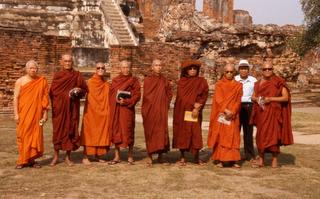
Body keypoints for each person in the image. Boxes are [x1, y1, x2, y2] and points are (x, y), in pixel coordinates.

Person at [251, 61, 293, 168]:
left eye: (270, 69)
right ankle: (261, 160)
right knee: (260, 136)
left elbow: (285, 97)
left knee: (274, 136)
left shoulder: (278, 81)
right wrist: (257, 99)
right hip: (262, 113)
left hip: (274, 113)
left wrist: (271, 99)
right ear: (262, 71)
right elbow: (253, 97)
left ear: (273, 70)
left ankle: (274, 161)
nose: (267, 71)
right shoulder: (258, 83)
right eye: (265, 69)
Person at [49, 54, 88, 166]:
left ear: (72, 62)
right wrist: (63, 97)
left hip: (72, 109)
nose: (67, 63)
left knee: (70, 131)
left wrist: (78, 89)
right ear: (61, 62)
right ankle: (56, 156)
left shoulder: (77, 75)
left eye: (69, 61)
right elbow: (52, 92)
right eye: (65, 61)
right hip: (60, 109)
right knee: (57, 132)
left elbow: (85, 90)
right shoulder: (58, 76)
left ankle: (67, 157)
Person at [13, 60, 49, 169]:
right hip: (24, 113)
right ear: (26, 69)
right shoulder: (20, 81)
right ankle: (22, 160)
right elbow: (15, 98)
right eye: (31, 68)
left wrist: (45, 114)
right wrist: (16, 114)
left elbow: (45, 98)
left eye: (35, 68)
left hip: (37, 114)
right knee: (23, 135)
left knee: (35, 136)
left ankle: (32, 160)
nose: (33, 70)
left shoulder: (41, 81)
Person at [173, 60, 209, 166]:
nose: (193, 71)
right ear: (186, 70)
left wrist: (198, 106)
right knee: (183, 132)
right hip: (183, 111)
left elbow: (204, 94)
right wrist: (194, 104)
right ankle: (182, 156)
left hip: (196, 112)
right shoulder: (182, 82)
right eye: (190, 69)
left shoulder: (201, 81)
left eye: (195, 69)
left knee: (195, 133)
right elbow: (182, 97)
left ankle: (196, 157)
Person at [207, 64, 243, 168]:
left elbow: (238, 100)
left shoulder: (238, 85)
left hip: (233, 115)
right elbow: (218, 100)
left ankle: (234, 159)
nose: (229, 74)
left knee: (234, 136)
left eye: (231, 72)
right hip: (222, 115)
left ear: (234, 73)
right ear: (224, 72)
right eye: (227, 72)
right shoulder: (219, 84)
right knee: (222, 136)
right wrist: (226, 110)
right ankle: (221, 160)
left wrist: (233, 111)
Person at [108, 60, 141, 165]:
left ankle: (130, 156)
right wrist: (117, 100)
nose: (125, 69)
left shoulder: (134, 80)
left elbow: (137, 95)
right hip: (117, 109)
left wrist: (126, 101)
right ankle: (117, 156)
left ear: (130, 68)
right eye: (123, 67)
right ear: (120, 68)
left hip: (127, 110)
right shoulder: (115, 80)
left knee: (128, 131)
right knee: (116, 131)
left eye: (127, 67)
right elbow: (111, 95)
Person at [141, 59, 172, 166]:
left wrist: (165, 103)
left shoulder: (164, 80)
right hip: (150, 111)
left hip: (161, 110)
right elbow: (146, 96)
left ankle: (161, 157)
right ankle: (150, 156)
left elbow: (169, 93)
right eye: (156, 65)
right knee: (150, 132)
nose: (158, 67)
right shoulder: (148, 80)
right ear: (152, 67)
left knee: (161, 133)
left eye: (160, 65)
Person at [80, 62, 111, 165]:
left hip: (102, 113)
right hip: (91, 113)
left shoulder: (106, 84)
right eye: (98, 68)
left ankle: (97, 155)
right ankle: (85, 156)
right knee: (89, 133)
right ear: (95, 69)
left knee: (100, 133)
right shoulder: (89, 82)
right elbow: (82, 93)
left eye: (103, 68)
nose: (101, 69)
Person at [235, 60, 257, 163]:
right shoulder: (235, 79)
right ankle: (235, 154)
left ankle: (250, 155)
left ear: (248, 70)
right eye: (242, 68)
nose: (243, 70)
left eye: (245, 68)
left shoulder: (253, 80)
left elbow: (256, 94)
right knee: (235, 131)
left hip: (249, 106)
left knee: (248, 132)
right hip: (237, 106)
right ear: (238, 69)